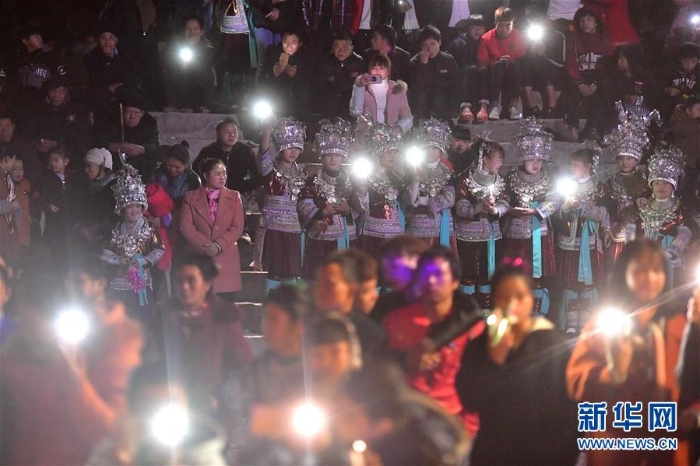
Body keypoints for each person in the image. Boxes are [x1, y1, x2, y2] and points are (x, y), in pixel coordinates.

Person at [0, 266, 142, 465]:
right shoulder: (14, 353)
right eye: (24, 324)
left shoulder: (96, 356)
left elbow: (110, 434)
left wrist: (77, 385)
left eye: (36, 327)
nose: (29, 335)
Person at [567, 239, 687, 466]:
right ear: (625, 272)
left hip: (668, 434)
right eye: (640, 270)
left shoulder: (679, 321)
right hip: (617, 433)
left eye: (656, 270)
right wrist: (612, 374)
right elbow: (577, 378)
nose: (649, 278)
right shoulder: (604, 321)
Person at [457, 266, 578, 465]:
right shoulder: (482, 343)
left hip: (544, 453)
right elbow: (469, 398)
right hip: (494, 452)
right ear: (494, 298)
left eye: (520, 296)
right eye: (504, 297)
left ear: (531, 298)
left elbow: (568, 406)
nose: (513, 304)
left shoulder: (551, 342)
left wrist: (564, 453)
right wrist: (494, 361)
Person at [384, 248, 482, 435]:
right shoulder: (397, 321)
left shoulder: (472, 328)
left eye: (438, 275)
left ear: (454, 282)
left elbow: (479, 385)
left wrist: (467, 431)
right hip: (407, 424)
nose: (431, 281)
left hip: (455, 425)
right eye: (426, 275)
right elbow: (384, 372)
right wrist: (408, 361)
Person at [157, 254, 253, 413]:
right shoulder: (163, 317)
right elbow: (148, 358)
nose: (184, 287)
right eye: (179, 280)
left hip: (213, 409)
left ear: (207, 284)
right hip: (171, 410)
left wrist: (223, 397)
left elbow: (243, 365)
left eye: (191, 280)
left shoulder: (224, 318)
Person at [332, 363, 469, 466]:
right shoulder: (400, 407)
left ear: (382, 426)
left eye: (350, 418)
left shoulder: (415, 454)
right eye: (338, 408)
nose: (337, 421)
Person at [227, 285, 306, 447]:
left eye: (274, 319)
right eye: (266, 318)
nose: (267, 326)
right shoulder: (254, 370)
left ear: (296, 323)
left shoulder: (318, 366)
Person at [499, 118, 560, 317]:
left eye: (539, 160)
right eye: (531, 159)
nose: (535, 164)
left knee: (538, 274)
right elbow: (503, 198)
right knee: (516, 273)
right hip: (515, 232)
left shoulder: (549, 177)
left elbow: (556, 200)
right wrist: (508, 210)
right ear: (522, 159)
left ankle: (537, 312)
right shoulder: (511, 177)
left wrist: (537, 211)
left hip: (540, 232)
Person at [556, 146, 612, 334]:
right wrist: (566, 206)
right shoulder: (567, 185)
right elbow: (560, 213)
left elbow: (604, 213)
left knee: (588, 281)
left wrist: (583, 207)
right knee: (570, 279)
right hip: (569, 241)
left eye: (576, 165)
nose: (572, 168)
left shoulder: (599, 188)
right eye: (571, 165)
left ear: (588, 166)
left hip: (589, 242)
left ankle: (587, 320)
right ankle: (571, 321)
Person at [102, 163, 165, 321]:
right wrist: (118, 260)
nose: (134, 210)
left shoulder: (148, 228)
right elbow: (106, 251)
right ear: (122, 208)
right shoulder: (117, 228)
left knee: (141, 316)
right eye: (130, 207)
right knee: (118, 316)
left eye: (137, 206)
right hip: (119, 278)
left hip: (139, 276)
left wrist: (142, 261)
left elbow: (159, 249)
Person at [252, 117, 307, 291]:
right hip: (273, 227)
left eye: (296, 148)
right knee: (274, 270)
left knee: (292, 271)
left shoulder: (301, 174)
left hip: (294, 229)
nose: (293, 152)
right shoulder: (270, 169)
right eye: (289, 147)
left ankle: (291, 307)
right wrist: (268, 130)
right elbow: (265, 153)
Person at [298, 119, 357, 277]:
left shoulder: (351, 181)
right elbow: (304, 203)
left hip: (345, 237)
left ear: (343, 157)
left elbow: (360, 205)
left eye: (337, 155)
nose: (333, 159)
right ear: (322, 157)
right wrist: (321, 212)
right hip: (321, 236)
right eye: (329, 155)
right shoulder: (312, 181)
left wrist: (349, 210)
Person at [180, 158, 245, 300]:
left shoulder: (234, 197)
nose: (223, 177)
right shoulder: (190, 197)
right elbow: (186, 226)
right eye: (217, 174)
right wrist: (206, 246)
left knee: (225, 309)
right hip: (199, 258)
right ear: (205, 175)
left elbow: (237, 226)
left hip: (226, 258)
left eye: (224, 173)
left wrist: (218, 245)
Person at [632, 146, 697, 286]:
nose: (661, 187)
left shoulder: (678, 208)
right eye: (657, 183)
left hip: (670, 261)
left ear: (673, 187)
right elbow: (635, 229)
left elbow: (687, 230)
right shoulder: (645, 207)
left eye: (665, 184)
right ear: (652, 186)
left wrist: (672, 251)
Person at [454, 137, 506, 305]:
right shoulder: (465, 178)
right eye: (499, 160)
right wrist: (477, 209)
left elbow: (505, 200)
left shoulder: (499, 179)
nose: (501, 164)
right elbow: (460, 204)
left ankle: (485, 314)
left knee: (487, 277)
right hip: (468, 237)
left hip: (492, 236)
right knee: (469, 275)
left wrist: (495, 210)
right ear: (485, 159)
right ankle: (467, 313)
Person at [314, 251, 387, 360]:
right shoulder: (305, 326)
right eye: (319, 283)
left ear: (351, 290)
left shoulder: (371, 335)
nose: (320, 291)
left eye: (330, 285)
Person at [601, 106, 652, 262]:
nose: (625, 162)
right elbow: (605, 208)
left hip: (637, 232)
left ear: (636, 160)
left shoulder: (646, 182)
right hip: (616, 232)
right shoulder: (610, 182)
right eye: (621, 158)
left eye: (629, 159)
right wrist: (607, 229)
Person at [558, 8, 613, 142]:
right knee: (570, 95)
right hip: (580, 78)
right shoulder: (574, 41)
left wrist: (595, 84)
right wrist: (579, 83)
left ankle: (593, 130)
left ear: (596, 23)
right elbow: (571, 64)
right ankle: (573, 127)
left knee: (600, 98)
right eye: (582, 21)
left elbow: (609, 65)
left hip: (599, 79)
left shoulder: (605, 40)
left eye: (589, 20)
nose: (585, 23)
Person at [351, 123, 406, 258]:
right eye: (388, 152)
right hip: (371, 232)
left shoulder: (396, 178)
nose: (392, 156)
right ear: (378, 153)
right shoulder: (367, 176)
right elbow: (360, 207)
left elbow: (405, 203)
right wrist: (362, 191)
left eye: (394, 152)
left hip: (394, 232)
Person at [403, 119, 455, 250]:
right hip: (417, 223)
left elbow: (450, 196)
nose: (430, 152)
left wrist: (427, 201)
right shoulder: (413, 168)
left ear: (441, 151)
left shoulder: (447, 169)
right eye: (427, 148)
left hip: (441, 223)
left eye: (434, 148)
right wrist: (415, 181)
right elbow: (409, 199)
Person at [477, 7, 527, 120]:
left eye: (508, 25)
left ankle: (513, 106)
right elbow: (483, 61)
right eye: (501, 25)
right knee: (499, 66)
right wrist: (497, 61)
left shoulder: (518, 36)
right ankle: (494, 106)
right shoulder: (486, 38)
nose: (504, 29)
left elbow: (523, 57)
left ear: (513, 24)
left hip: (513, 71)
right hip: (494, 72)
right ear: (495, 23)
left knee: (515, 66)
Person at [193, 118, 263, 197]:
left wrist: (242, 188)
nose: (232, 135)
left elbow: (257, 177)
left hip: (237, 194)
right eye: (227, 132)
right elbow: (195, 174)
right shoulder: (208, 151)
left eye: (234, 131)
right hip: (213, 194)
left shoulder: (246, 151)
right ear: (218, 134)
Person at [28, 75, 91, 161]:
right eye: (53, 91)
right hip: (43, 157)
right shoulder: (40, 109)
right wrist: (38, 144)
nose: (57, 95)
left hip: (70, 157)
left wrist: (56, 143)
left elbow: (81, 137)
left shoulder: (76, 110)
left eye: (61, 91)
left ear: (66, 93)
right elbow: (32, 132)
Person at [38, 146, 82, 266]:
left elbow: (76, 199)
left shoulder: (72, 179)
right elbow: (40, 196)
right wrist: (48, 205)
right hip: (53, 223)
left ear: (66, 161)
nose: (53, 163)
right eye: (51, 160)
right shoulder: (46, 179)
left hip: (69, 222)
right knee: (55, 253)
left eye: (56, 160)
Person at [100, 92, 160, 180]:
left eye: (136, 113)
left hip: (141, 164)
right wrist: (113, 146)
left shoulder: (149, 122)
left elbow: (154, 146)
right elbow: (101, 141)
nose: (132, 116)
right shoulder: (112, 120)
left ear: (142, 113)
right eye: (128, 112)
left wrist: (141, 149)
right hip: (116, 162)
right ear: (122, 111)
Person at [163, 15, 216, 113]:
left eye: (195, 29)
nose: (192, 32)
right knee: (170, 73)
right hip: (180, 73)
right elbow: (167, 59)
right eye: (188, 29)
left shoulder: (207, 46)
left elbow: (205, 64)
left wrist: (193, 47)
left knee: (207, 75)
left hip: (199, 74)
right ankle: (174, 104)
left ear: (201, 31)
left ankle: (203, 105)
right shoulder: (175, 44)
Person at [84, 27, 135, 128]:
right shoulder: (91, 57)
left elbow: (133, 74)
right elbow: (97, 78)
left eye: (111, 38)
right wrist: (108, 59)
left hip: (121, 90)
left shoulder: (125, 54)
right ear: (99, 41)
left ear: (116, 40)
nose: (107, 42)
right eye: (103, 38)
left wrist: (122, 83)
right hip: (102, 93)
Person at [349, 53, 413, 135]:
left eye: (381, 68)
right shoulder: (363, 88)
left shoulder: (397, 89)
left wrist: (398, 129)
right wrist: (359, 86)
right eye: (374, 67)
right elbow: (355, 112)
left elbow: (407, 117)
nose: (377, 71)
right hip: (367, 136)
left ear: (388, 70)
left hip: (390, 137)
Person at [371, 234, 427, 322]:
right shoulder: (384, 306)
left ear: (418, 260)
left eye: (395, 267)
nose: (390, 276)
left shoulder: (440, 301)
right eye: (385, 271)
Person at [409, 25, 461, 120]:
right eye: (425, 45)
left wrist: (454, 106)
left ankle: (447, 127)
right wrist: (423, 65)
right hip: (423, 99)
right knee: (422, 97)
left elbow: (456, 84)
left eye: (433, 44)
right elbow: (416, 87)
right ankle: (421, 128)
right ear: (421, 46)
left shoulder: (448, 60)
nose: (429, 49)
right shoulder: (415, 61)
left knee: (439, 99)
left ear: (439, 42)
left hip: (443, 98)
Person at [259, 29, 313, 120]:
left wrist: (297, 74)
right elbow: (262, 79)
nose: (288, 46)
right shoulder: (272, 52)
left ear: (300, 44)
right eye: (285, 42)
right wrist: (273, 73)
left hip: (299, 104)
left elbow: (312, 81)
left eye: (293, 43)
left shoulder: (306, 56)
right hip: (277, 102)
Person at [447, 15, 487, 121]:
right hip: (462, 76)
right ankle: (465, 106)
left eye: (480, 28)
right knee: (471, 69)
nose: (477, 31)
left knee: (483, 70)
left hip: (481, 75)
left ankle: (484, 106)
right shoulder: (459, 43)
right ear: (468, 28)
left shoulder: (486, 42)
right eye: (474, 28)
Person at [317, 32, 365, 120]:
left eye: (345, 47)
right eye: (337, 47)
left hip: (350, 106)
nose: (341, 51)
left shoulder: (359, 62)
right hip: (329, 107)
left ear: (352, 48)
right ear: (332, 47)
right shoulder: (326, 62)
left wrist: (335, 79)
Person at [77, 148, 118, 251]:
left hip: (107, 242)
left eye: (90, 166)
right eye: (85, 166)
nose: (86, 170)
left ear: (102, 167)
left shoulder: (114, 189)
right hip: (89, 240)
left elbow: (114, 218)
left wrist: (96, 230)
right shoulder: (89, 186)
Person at [16, 26, 67, 106]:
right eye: (35, 36)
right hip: (26, 102)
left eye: (39, 35)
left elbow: (61, 78)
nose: (39, 38)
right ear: (25, 41)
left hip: (45, 102)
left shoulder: (49, 56)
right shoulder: (21, 60)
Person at [153, 141, 201, 209]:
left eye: (177, 167)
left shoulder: (193, 180)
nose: (173, 170)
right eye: (170, 165)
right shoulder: (157, 174)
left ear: (185, 165)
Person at [671, 96, 700, 207]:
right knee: (682, 187)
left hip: (693, 161)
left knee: (691, 187)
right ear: (688, 111)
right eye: (698, 110)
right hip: (684, 161)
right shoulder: (682, 122)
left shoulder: (693, 122)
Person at [660, 42, 700, 119]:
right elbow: (660, 82)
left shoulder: (697, 73)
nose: (689, 65)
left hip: (691, 103)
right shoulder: (670, 70)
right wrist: (667, 89)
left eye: (693, 61)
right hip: (670, 103)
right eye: (686, 61)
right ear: (679, 59)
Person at [0, 150, 21, 267]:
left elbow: (14, 201)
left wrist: (18, 214)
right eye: (13, 160)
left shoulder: (7, 178)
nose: (14, 163)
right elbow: (11, 203)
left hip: (9, 231)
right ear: (7, 159)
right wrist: (9, 206)